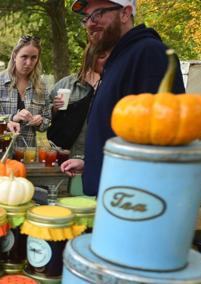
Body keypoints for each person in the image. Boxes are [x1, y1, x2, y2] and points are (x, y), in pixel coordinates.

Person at [65, 0, 185, 195]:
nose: (89, 23)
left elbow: (161, 140)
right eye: (86, 18)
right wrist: (92, 163)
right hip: (112, 198)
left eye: (97, 14)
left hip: (131, 204)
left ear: (125, 13)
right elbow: (119, 131)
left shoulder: (149, 53)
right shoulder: (118, 60)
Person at [49, 44, 109, 194]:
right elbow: (44, 119)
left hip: (94, 159)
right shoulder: (66, 84)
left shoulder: (110, 86)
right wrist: (54, 109)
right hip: (63, 158)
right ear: (89, 58)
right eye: (101, 56)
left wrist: (97, 88)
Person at [0, 35, 51, 148]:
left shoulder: (41, 87)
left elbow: (47, 121)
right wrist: (12, 118)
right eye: (24, 57)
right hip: (0, 152)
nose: (29, 63)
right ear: (14, 56)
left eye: (33, 58)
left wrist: (40, 121)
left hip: (28, 153)